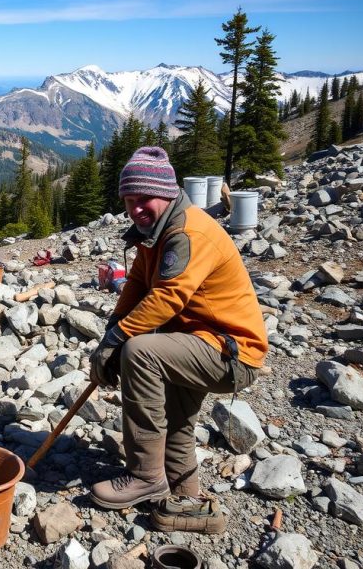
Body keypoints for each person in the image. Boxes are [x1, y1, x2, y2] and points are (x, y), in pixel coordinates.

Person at [86, 147, 268, 534]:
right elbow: (137, 282)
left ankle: (144, 476)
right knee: (177, 418)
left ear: (166, 193)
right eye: (129, 200)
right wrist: (111, 330)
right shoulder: (159, 228)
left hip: (230, 351)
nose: (135, 208)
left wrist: (118, 340)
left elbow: (169, 296)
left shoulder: (187, 231)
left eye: (143, 199)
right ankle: (187, 502)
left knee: (141, 353)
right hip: (198, 341)